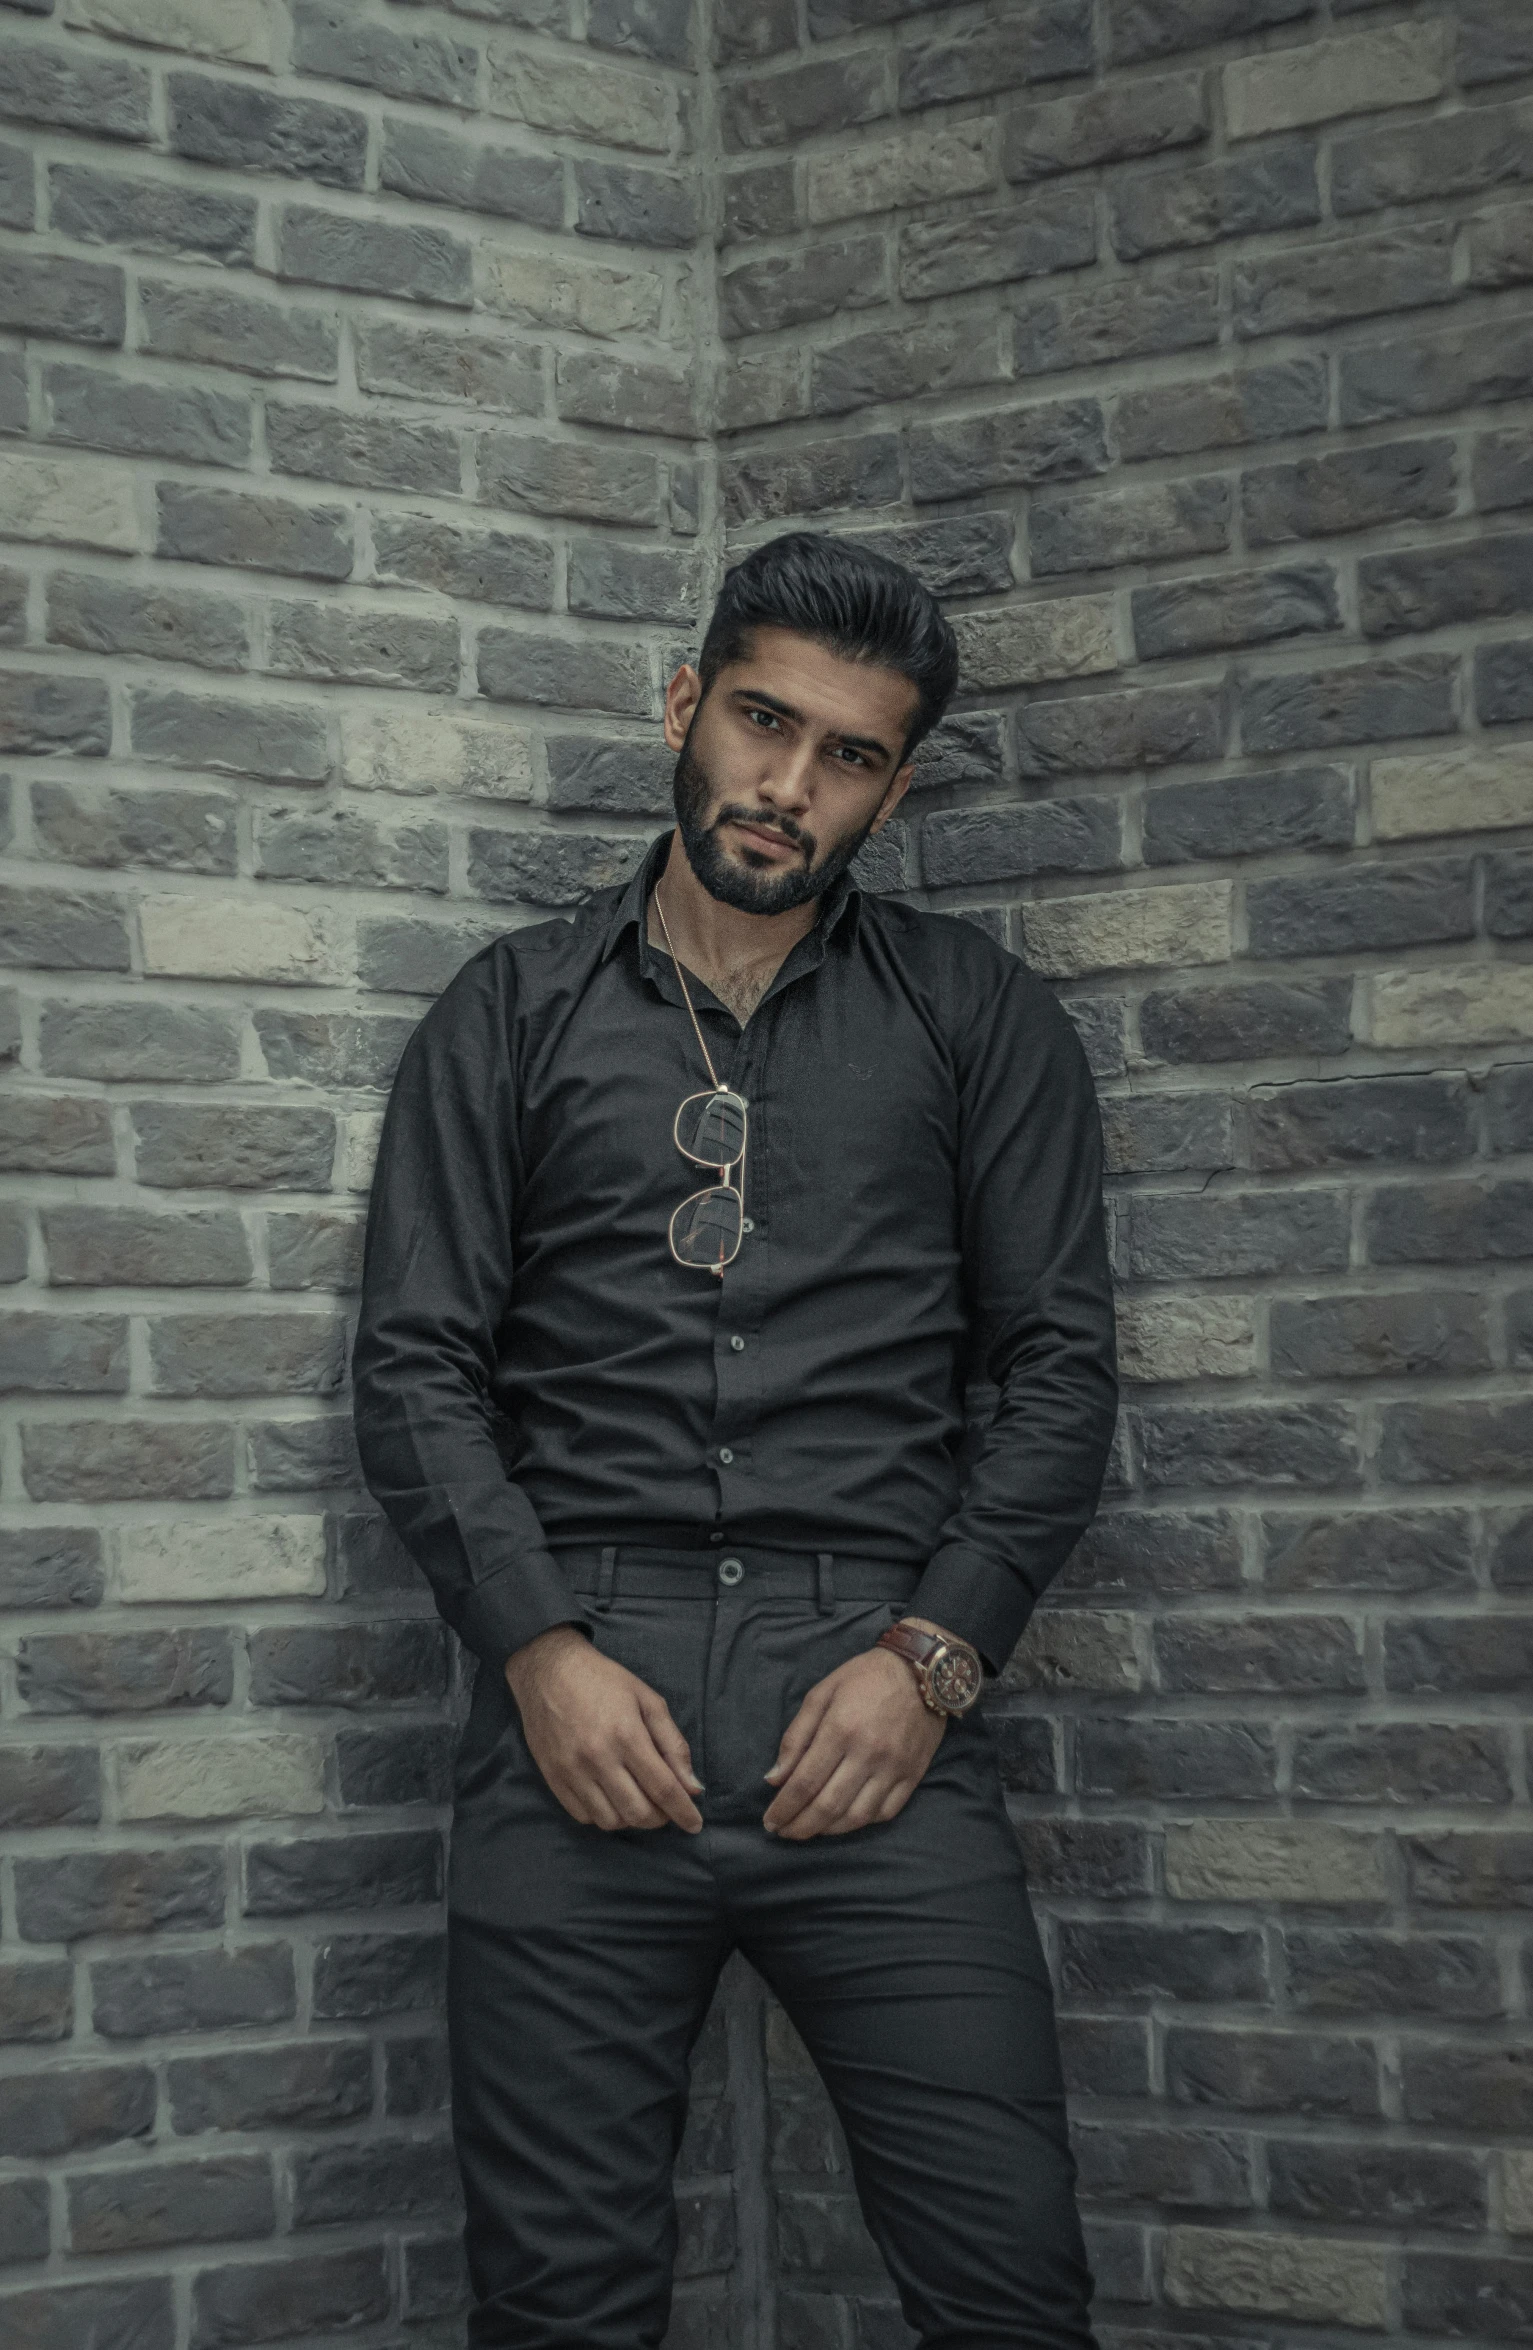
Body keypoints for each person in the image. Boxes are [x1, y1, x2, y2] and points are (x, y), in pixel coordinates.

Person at [352, 530, 1120, 2349]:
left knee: (1010, 2287)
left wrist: (927, 1663)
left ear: (894, 786)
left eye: (847, 752)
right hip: (576, 1713)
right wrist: (535, 1649)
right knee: (558, 2307)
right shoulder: (510, 1012)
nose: (789, 783)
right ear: (686, 705)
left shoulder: (979, 1018)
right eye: (764, 720)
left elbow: (1055, 1368)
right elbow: (415, 1364)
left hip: (873, 1695)